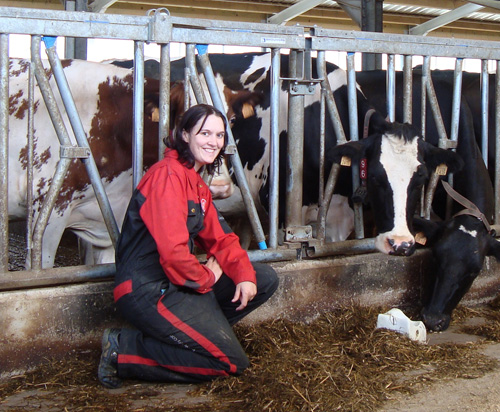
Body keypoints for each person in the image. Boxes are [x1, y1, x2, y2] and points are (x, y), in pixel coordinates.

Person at [98, 104, 279, 389]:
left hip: (175, 284)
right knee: (229, 363)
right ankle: (123, 349)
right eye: (204, 133)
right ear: (184, 135)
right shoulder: (167, 177)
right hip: (146, 288)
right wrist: (208, 277)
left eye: (219, 135)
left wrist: (243, 275)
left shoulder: (195, 184)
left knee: (263, 278)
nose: (214, 142)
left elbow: (223, 239)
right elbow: (172, 253)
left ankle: (197, 333)